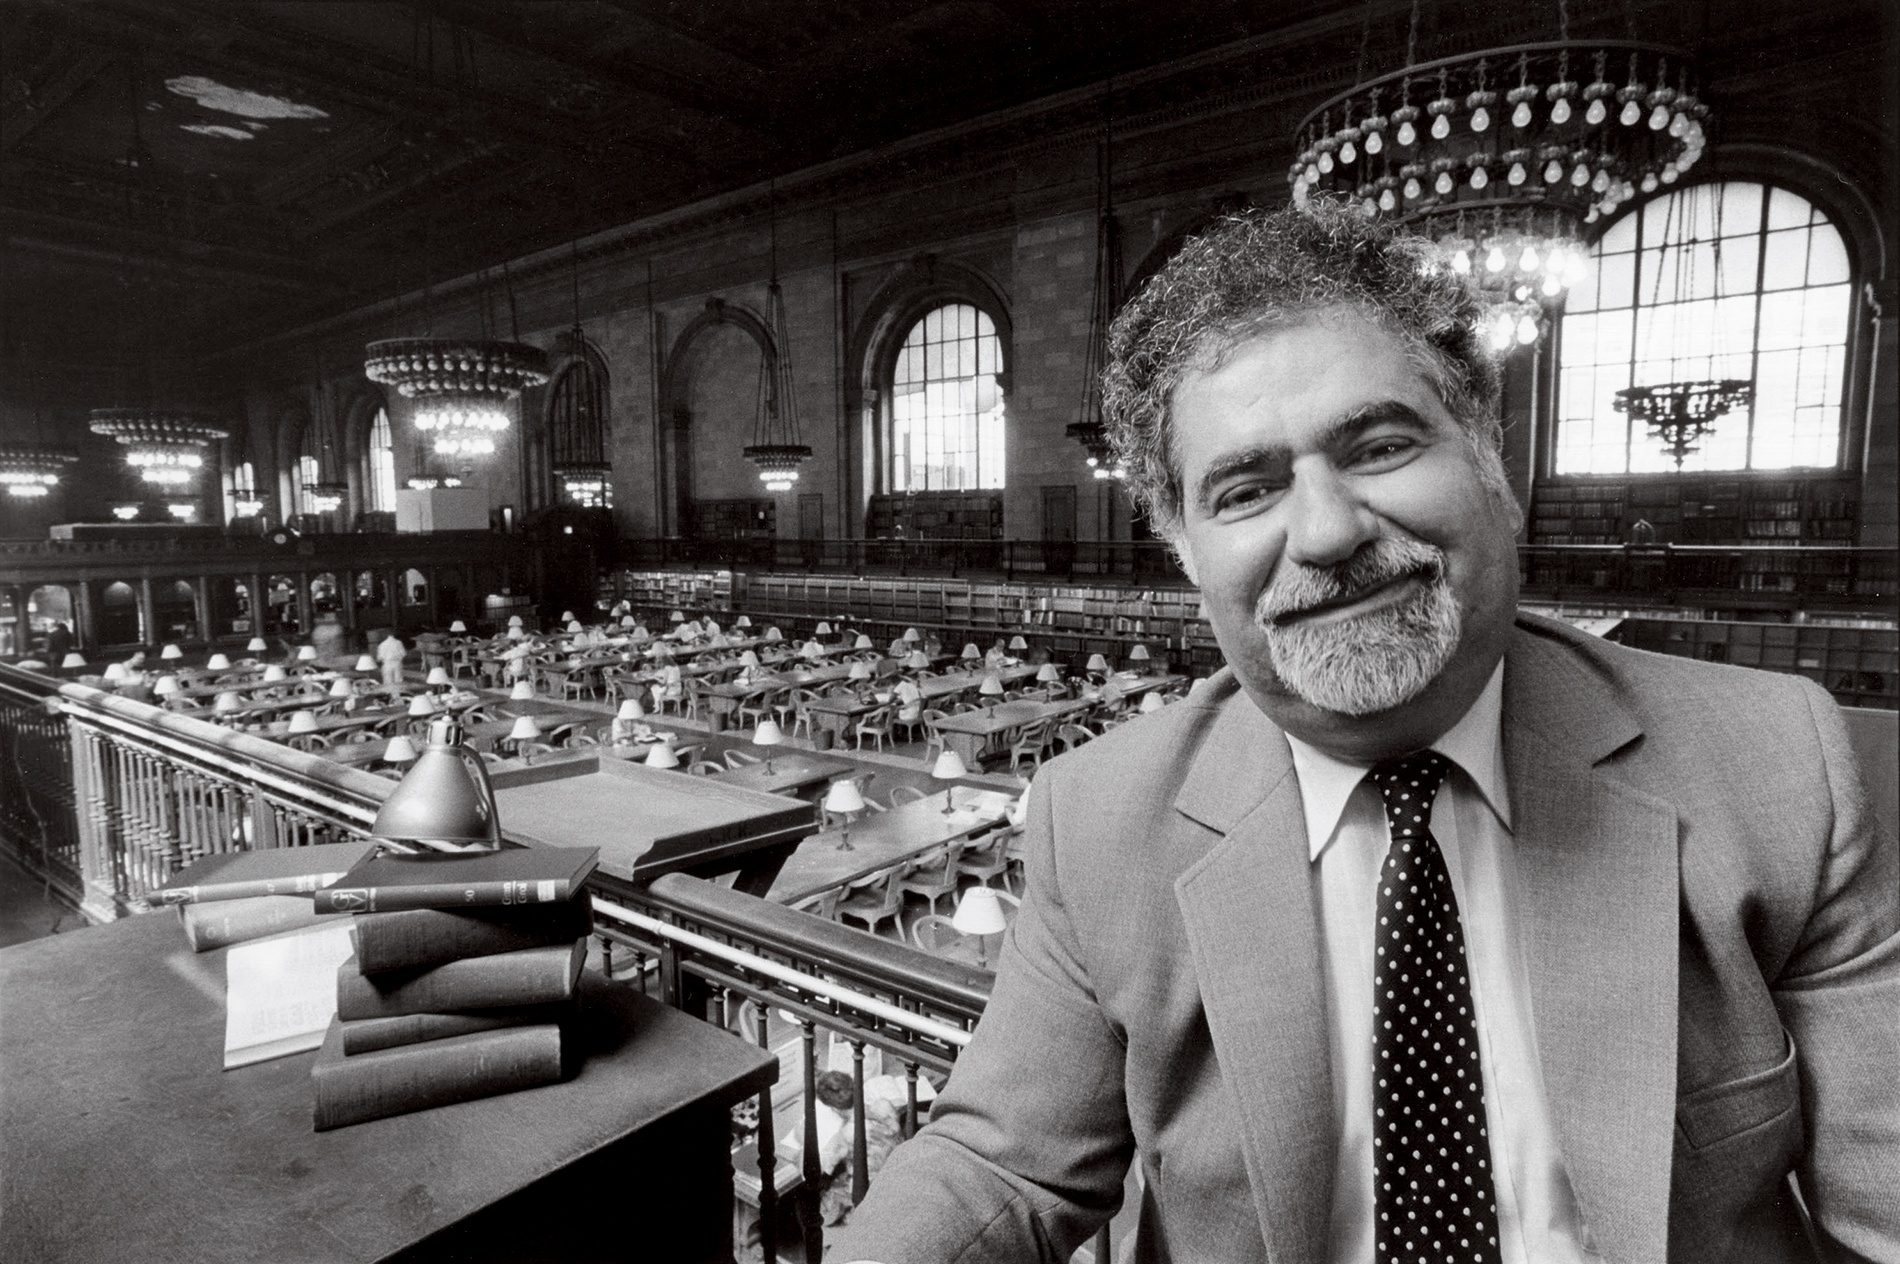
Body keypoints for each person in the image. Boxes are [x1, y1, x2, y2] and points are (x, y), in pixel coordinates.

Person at [831, 202, 1897, 1263]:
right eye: (1245, 489)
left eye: (1379, 445)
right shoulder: (1098, 816)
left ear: (1492, 468)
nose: (1329, 530)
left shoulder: (1780, 768)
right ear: (1188, 554)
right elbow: (999, 1167)